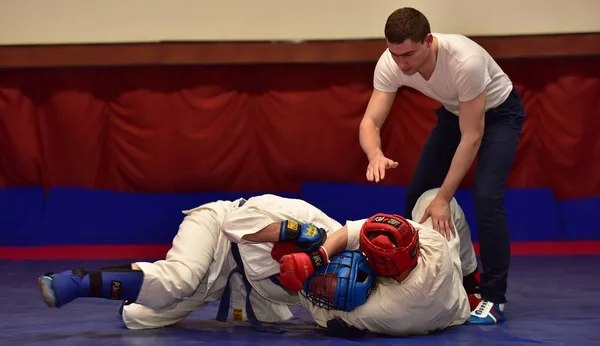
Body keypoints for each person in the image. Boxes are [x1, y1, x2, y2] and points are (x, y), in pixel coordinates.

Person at [358, 7, 525, 324]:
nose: (402, 64)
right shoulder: (391, 62)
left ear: (428, 41)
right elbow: (370, 121)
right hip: (454, 113)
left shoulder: (464, 60)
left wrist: (444, 198)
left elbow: (472, 137)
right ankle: (457, 282)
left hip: (500, 115)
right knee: (416, 196)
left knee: (487, 196)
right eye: (396, 55)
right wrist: (374, 154)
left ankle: (494, 298)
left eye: (408, 54)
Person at [38, 194, 342, 331]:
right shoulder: (311, 219)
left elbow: (345, 317)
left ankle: (137, 286)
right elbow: (235, 223)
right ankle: (77, 281)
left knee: (140, 318)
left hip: (241, 282)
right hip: (219, 232)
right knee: (179, 281)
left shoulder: (329, 292)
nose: (327, 288)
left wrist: (346, 325)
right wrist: (292, 231)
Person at [277, 188, 491, 336]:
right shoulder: (433, 244)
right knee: (435, 199)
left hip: (450, 315)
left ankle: (469, 289)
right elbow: (354, 231)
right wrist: (318, 256)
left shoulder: (391, 309)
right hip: (448, 275)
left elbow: (326, 312)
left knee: (341, 290)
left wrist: (301, 286)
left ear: (380, 267)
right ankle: (471, 280)